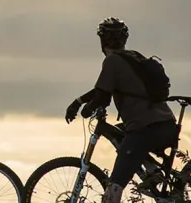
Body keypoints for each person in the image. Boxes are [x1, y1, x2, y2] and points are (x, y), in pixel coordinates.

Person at [63, 17, 180, 203]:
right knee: (121, 132)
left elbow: (102, 96)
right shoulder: (133, 57)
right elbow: (103, 88)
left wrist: (86, 110)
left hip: (145, 130)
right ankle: (153, 172)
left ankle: (152, 175)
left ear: (102, 41)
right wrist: (79, 101)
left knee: (114, 188)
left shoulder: (112, 62)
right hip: (165, 124)